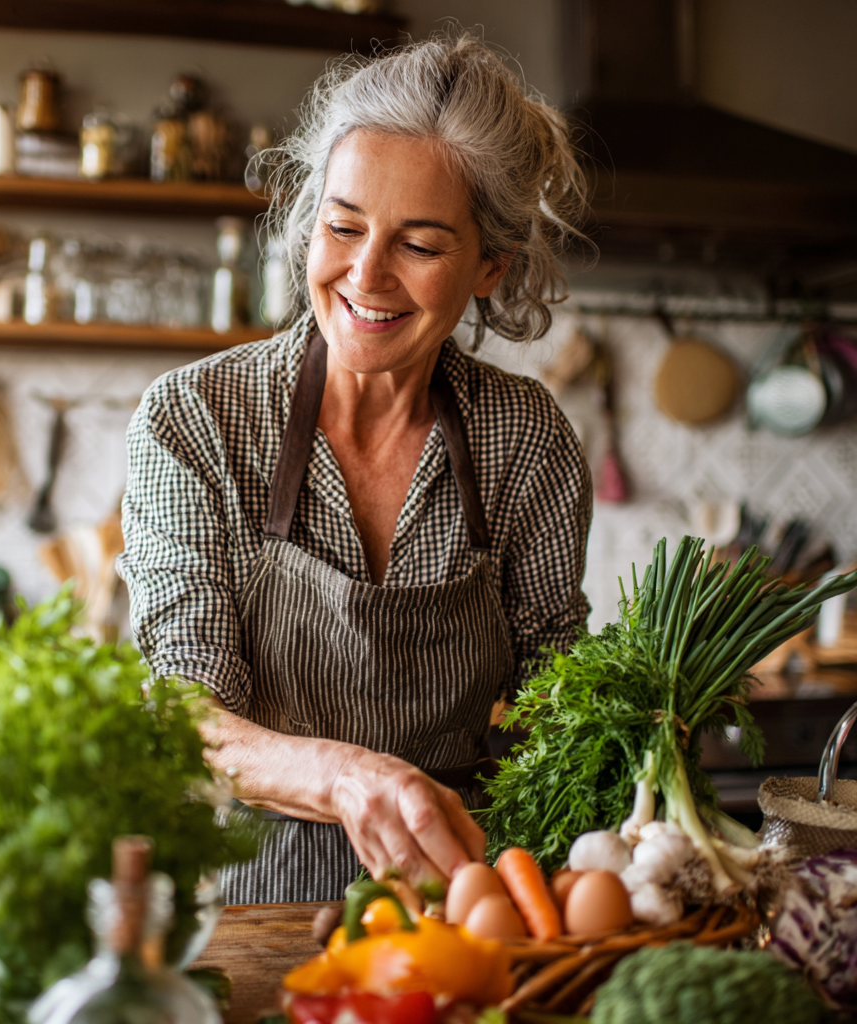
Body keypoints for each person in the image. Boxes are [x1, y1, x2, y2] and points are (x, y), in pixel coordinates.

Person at [118, 32, 592, 905]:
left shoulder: (526, 440)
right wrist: (350, 780)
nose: (365, 275)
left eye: (419, 244)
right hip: (237, 907)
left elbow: (554, 707)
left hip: (457, 907)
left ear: (490, 265)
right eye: (343, 227)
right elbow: (183, 716)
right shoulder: (198, 419)